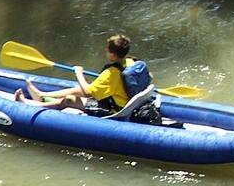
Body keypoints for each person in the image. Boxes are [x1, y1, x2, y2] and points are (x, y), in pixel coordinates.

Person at [17, 33, 163, 123]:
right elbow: (149, 77)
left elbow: (87, 92)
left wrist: (78, 73)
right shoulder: (132, 62)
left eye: (107, 49)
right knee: (76, 90)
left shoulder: (110, 73)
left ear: (112, 54)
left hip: (114, 109)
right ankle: (42, 95)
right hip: (125, 101)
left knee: (70, 99)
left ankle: (32, 105)